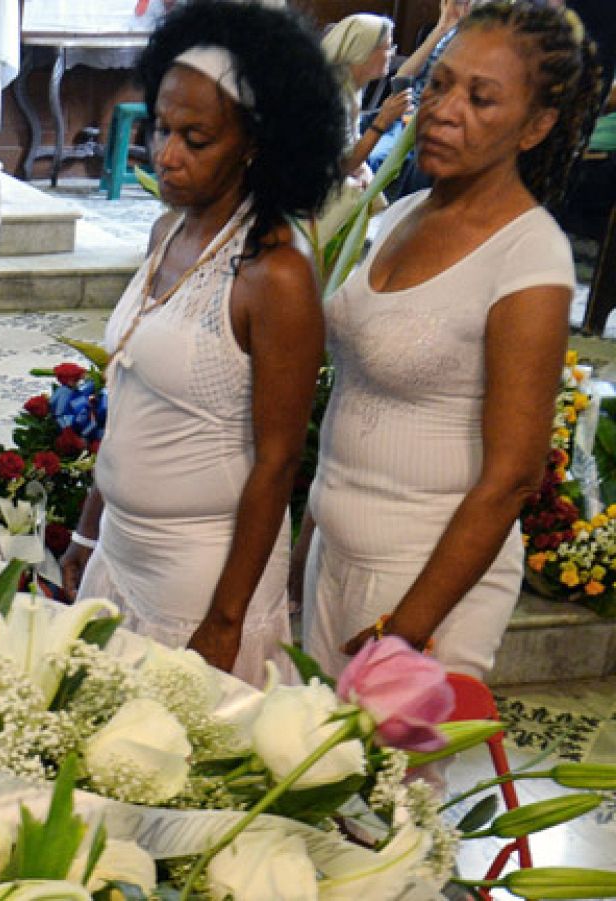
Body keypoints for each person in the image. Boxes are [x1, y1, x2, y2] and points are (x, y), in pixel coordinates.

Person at [300, 1, 600, 679]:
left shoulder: (529, 257)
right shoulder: (404, 212)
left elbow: (514, 474)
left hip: (426, 583)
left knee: (387, 784)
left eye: (481, 98)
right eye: (439, 82)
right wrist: (308, 542)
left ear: (537, 126)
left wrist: (405, 631)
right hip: (335, 554)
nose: (443, 108)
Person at [59, 0, 343, 687]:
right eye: (161, 128)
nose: (167, 154)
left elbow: (277, 463)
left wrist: (226, 617)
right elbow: (127, 394)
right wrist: (88, 528)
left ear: (253, 141)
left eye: (195, 136)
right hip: (122, 550)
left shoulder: (274, 274)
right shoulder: (166, 233)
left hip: (201, 571)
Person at [368, 0, 474, 198]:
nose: (461, 7)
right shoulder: (442, 33)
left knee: (402, 165)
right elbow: (402, 76)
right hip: (406, 114)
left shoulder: (476, 44)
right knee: (375, 158)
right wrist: (442, 28)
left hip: (433, 120)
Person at [322, 15, 412, 186]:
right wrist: (383, 120)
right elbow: (343, 166)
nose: (392, 54)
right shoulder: (332, 94)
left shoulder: (352, 85)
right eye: (387, 48)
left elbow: (351, 149)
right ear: (363, 51)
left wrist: (362, 169)